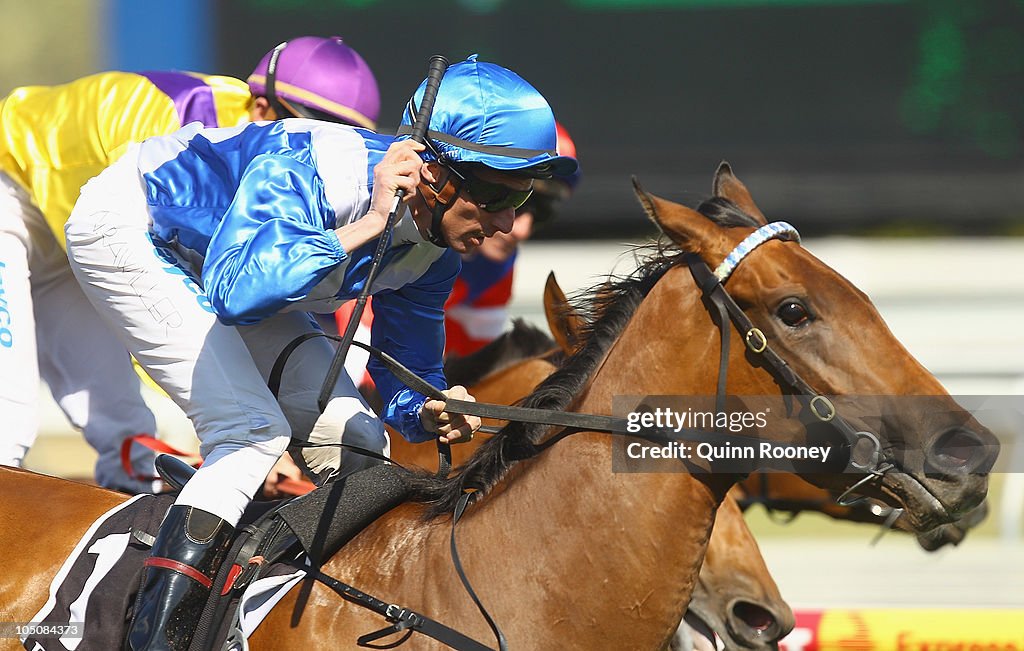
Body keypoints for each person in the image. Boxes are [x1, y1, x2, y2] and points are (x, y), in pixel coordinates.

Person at [64, 55, 576, 650]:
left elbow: (404, 384)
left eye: (520, 197)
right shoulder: (317, 169)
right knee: (250, 431)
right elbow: (238, 291)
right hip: (132, 226)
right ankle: (156, 640)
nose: (507, 223)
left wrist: (432, 407)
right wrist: (372, 222)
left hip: (230, 270)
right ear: (433, 175)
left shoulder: (435, 259)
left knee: (360, 442)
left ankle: (250, 600)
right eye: (492, 194)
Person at [0, 36, 380, 494]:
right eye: (318, 131)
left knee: (129, 435)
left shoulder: (291, 170)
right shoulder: (182, 128)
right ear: (261, 109)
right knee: (9, 421)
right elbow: (156, 302)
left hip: (64, 220)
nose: (330, 152)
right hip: (14, 195)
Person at [444, 121, 580, 357]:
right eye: (516, 201)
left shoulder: (498, 265)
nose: (522, 231)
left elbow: (476, 364)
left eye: (542, 212)